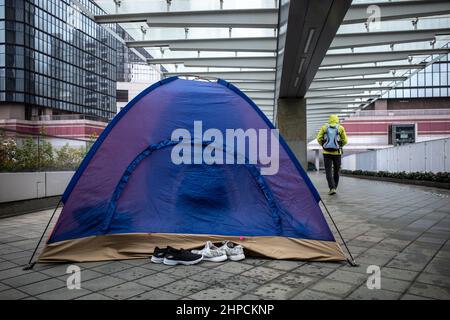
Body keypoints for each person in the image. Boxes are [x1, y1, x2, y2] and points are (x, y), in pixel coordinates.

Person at [316, 114, 348, 195]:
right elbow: (345, 140)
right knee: (336, 171)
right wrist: (339, 146)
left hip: (326, 153)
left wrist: (324, 146)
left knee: (328, 171)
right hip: (337, 153)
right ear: (337, 120)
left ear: (329, 120)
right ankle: (334, 187)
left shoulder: (325, 127)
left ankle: (332, 187)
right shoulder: (340, 128)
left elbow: (318, 138)